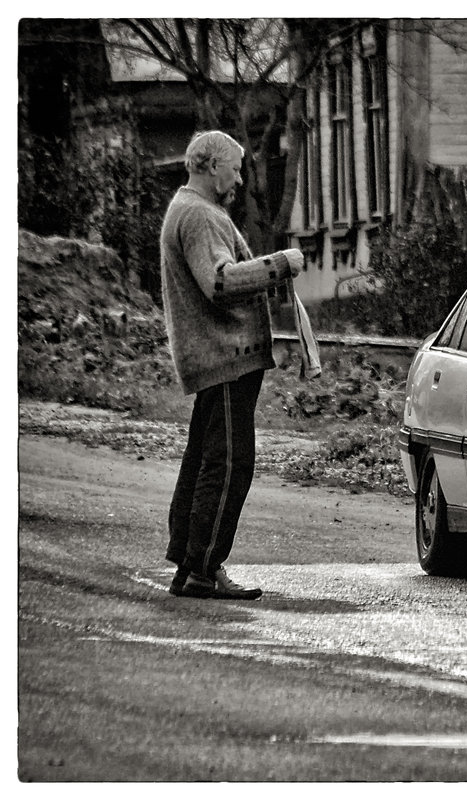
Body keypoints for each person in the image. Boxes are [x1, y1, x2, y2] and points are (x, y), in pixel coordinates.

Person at [160, 130, 303, 600]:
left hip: (220, 359)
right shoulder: (199, 215)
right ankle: (203, 568)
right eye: (236, 168)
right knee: (228, 465)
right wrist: (278, 265)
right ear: (211, 165)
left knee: (206, 461)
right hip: (224, 360)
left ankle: (190, 563)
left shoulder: (193, 211)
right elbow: (218, 283)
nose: (241, 179)